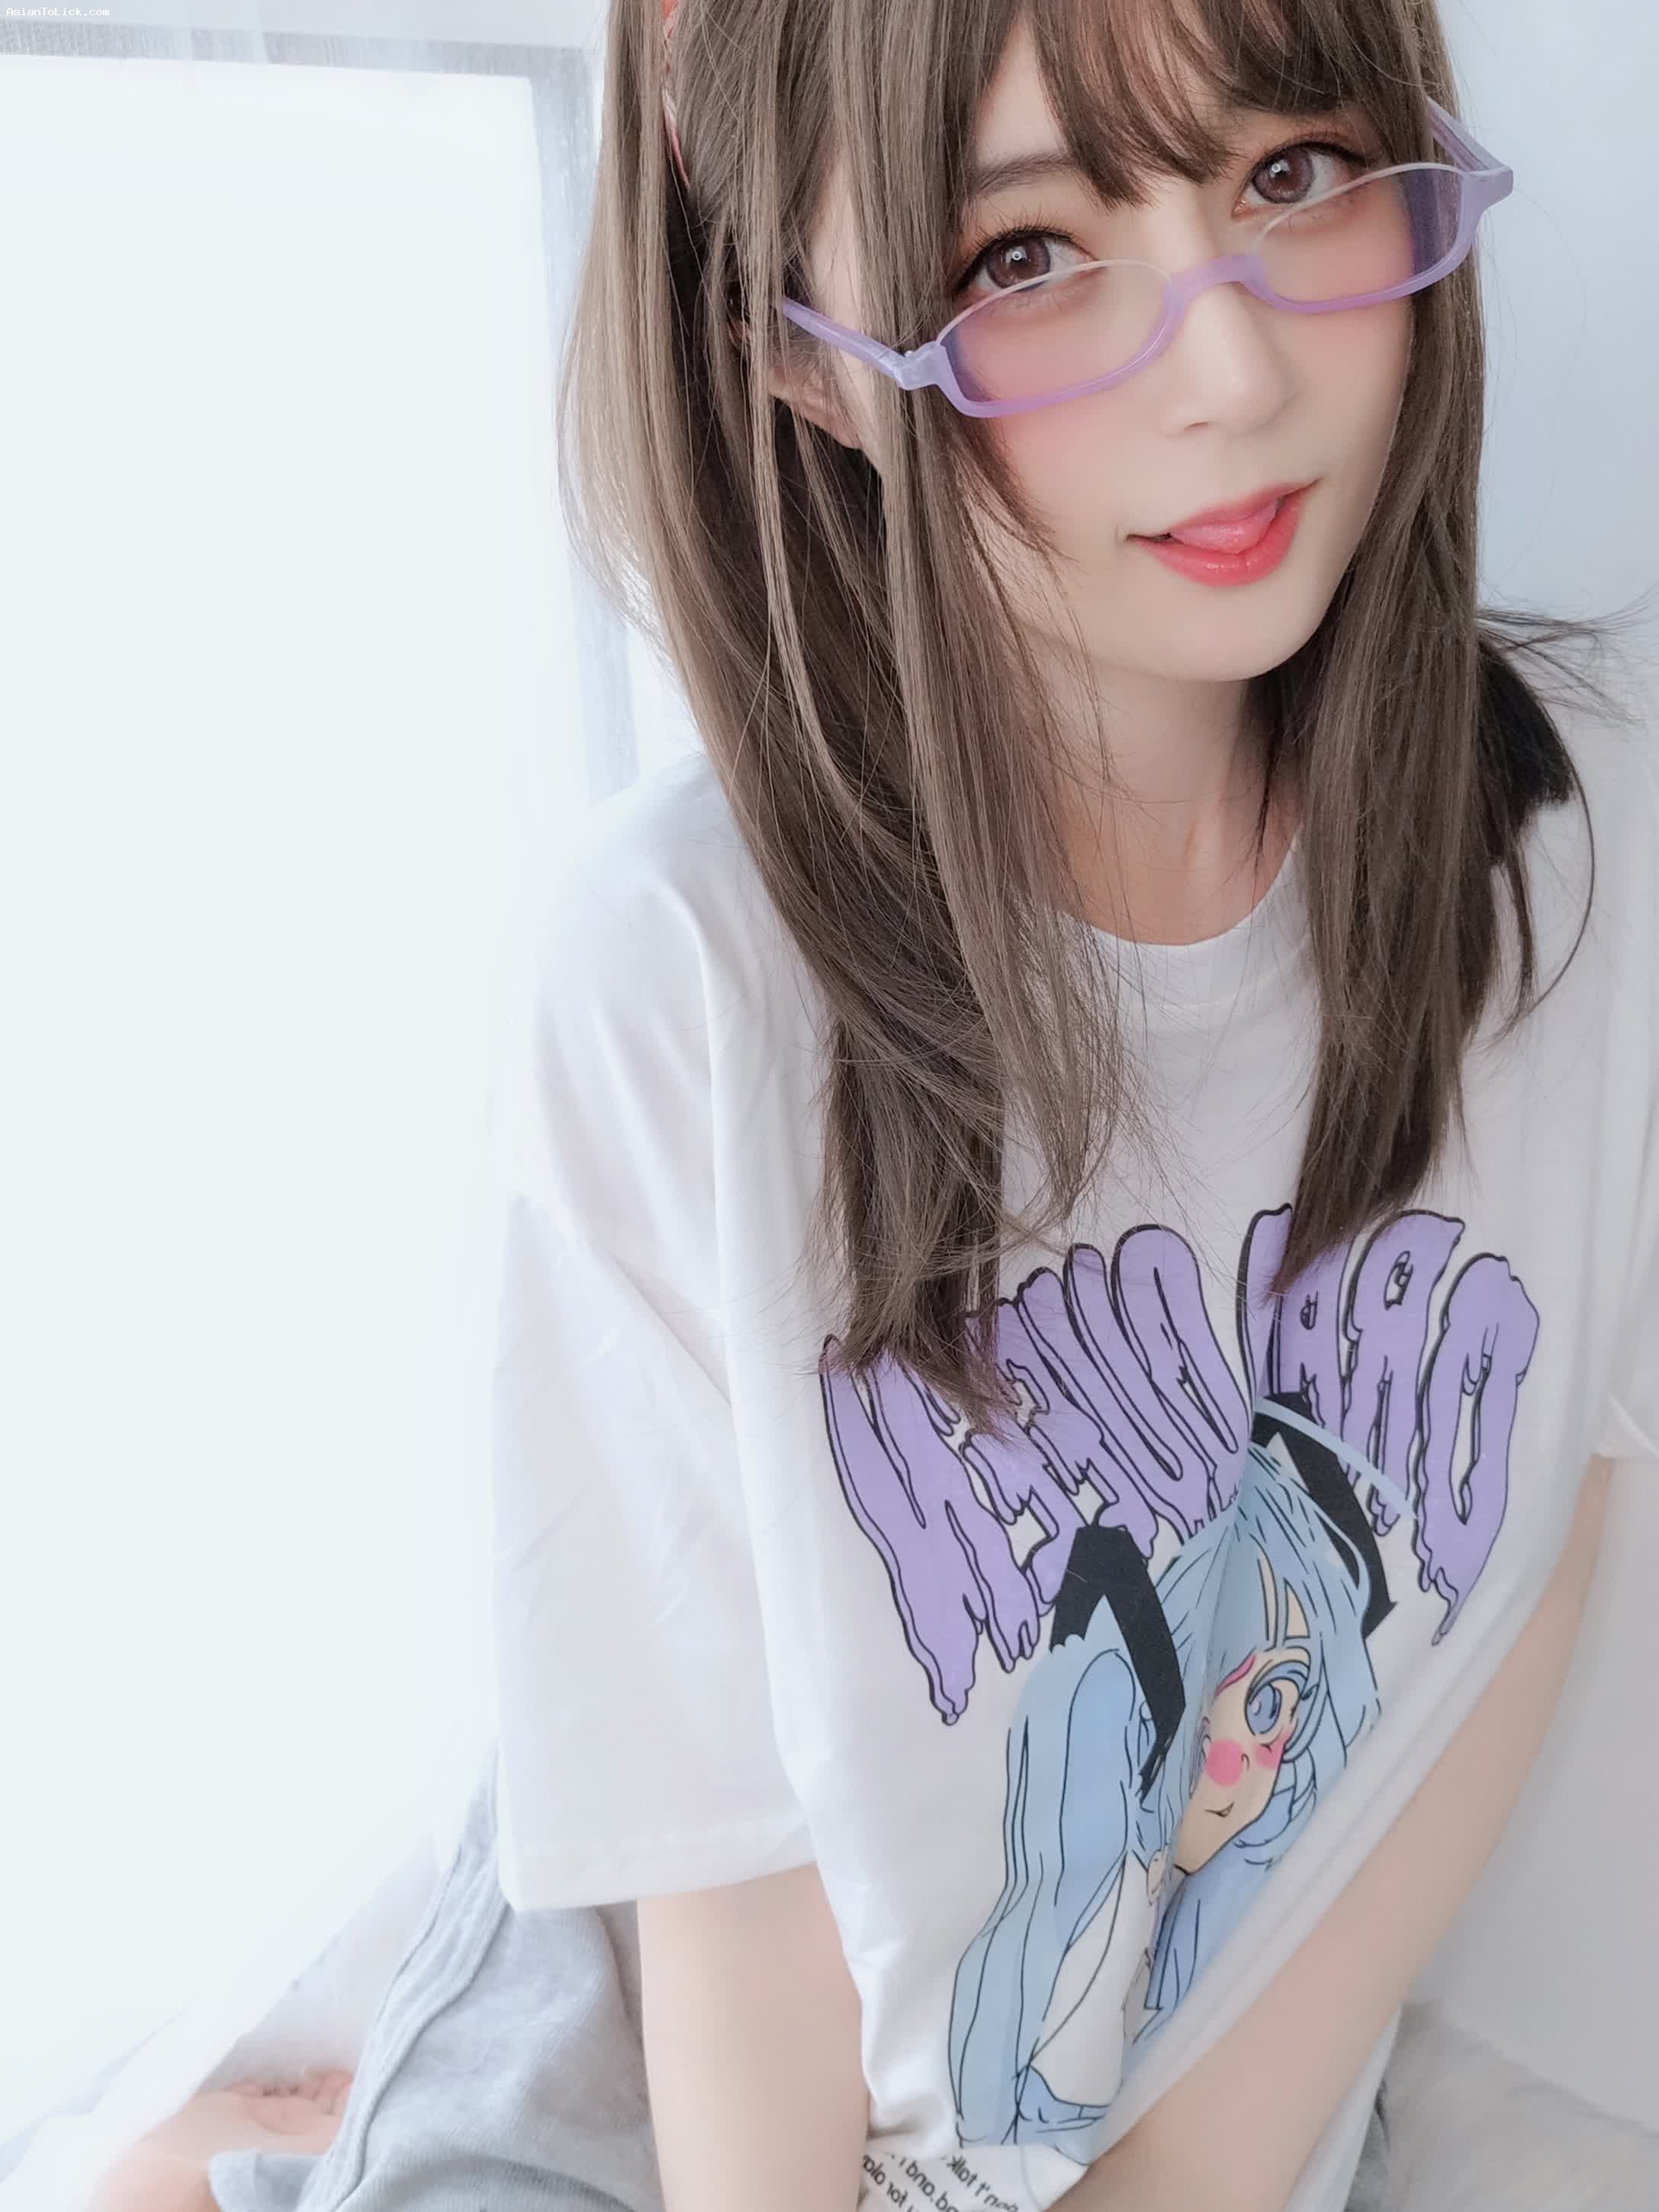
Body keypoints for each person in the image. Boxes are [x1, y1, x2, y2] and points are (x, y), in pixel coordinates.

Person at [91, 0, 1657, 2208]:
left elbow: (1509, 1586)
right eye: (1026, 258)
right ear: (804, 357)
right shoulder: (676, 981)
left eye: (1291, 172)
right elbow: (740, 1976)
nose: (1229, 372)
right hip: (667, 2079)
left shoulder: (1579, 873)